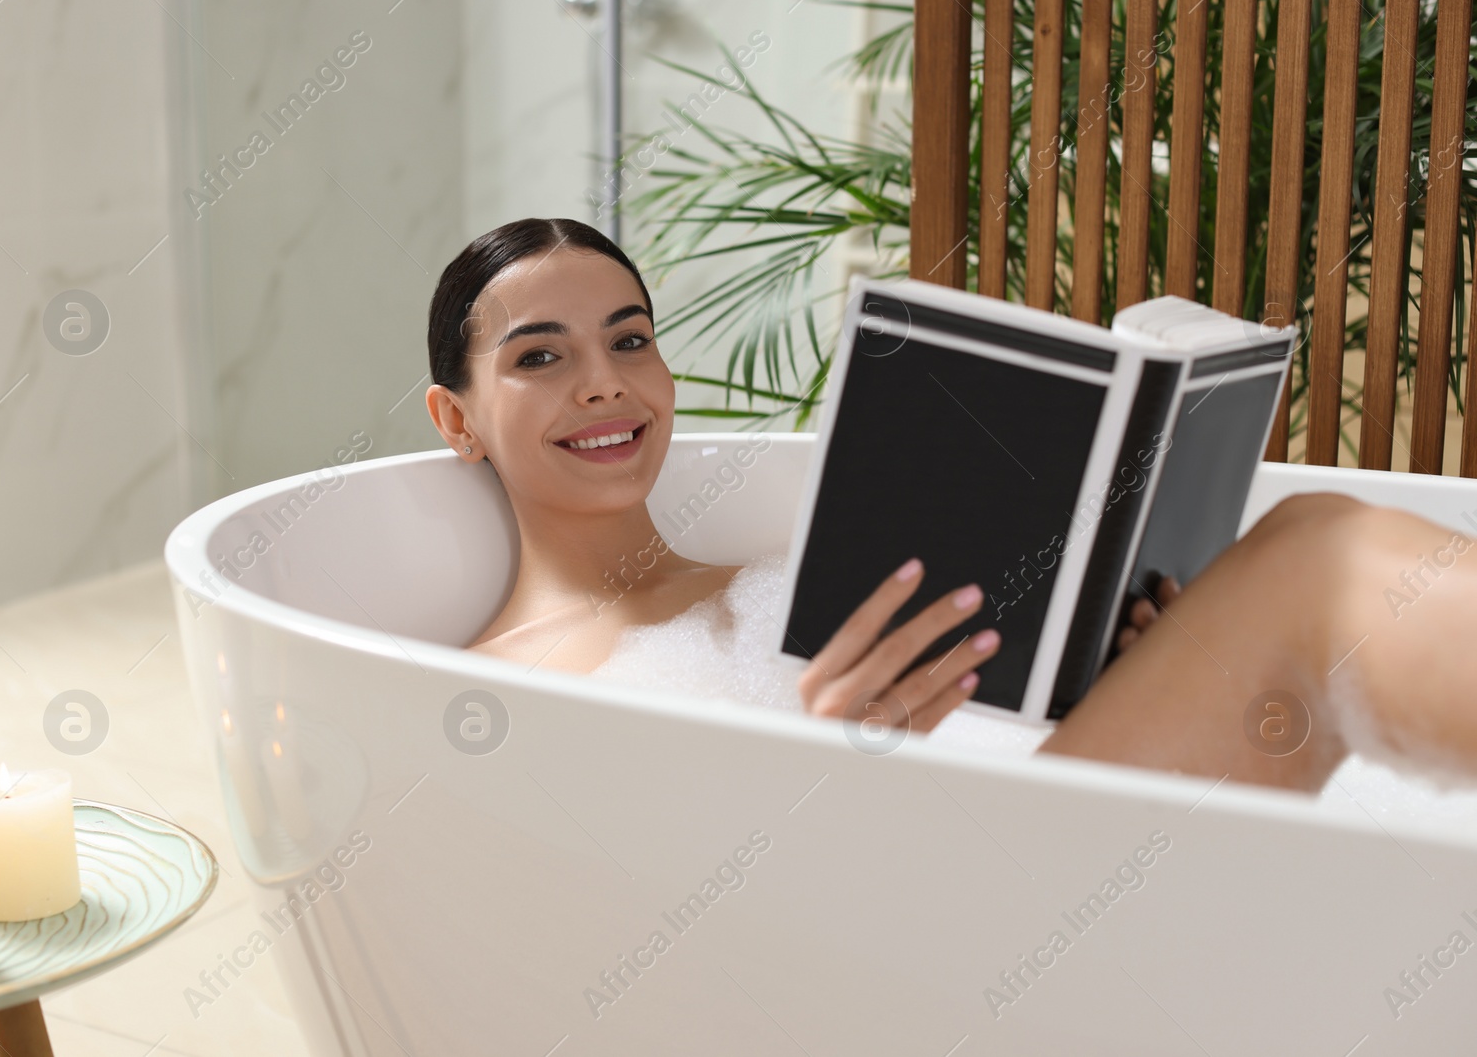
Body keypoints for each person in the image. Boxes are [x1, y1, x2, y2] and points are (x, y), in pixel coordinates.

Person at [425, 217, 1477, 794]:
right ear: (456, 418)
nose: (604, 381)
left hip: (1028, 865)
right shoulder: (483, 688)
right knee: (1316, 555)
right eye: (539, 357)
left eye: (629, 337)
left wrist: (1133, 664)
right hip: (904, 951)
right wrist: (826, 773)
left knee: (1300, 554)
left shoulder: (781, 575)